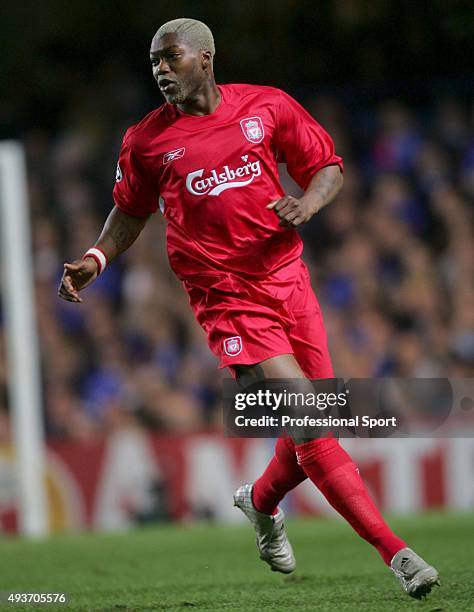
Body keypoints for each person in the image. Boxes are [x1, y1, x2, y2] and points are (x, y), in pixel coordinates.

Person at [58, 18, 439, 599]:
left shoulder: (267, 106)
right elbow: (129, 211)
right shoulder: (146, 142)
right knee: (310, 419)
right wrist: (97, 257)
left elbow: (326, 166)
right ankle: (398, 554)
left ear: (206, 58)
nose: (160, 69)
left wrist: (307, 204)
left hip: (289, 281)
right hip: (225, 297)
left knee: (315, 417)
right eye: (154, 61)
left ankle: (259, 503)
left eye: (171, 57)